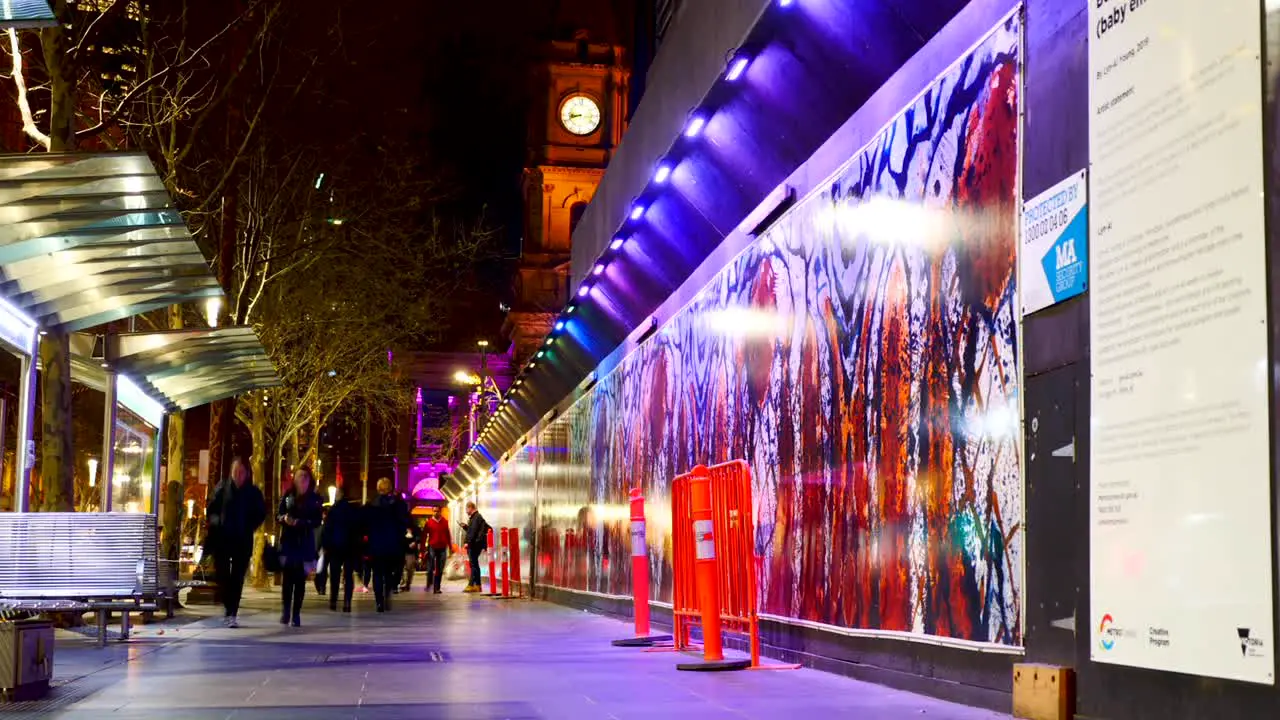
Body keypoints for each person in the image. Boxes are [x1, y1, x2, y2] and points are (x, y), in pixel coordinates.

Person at [206, 457, 266, 628]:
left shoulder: (253, 492)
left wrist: (249, 525)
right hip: (223, 539)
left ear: (247, 473)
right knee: (223, 576)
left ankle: (232, 612)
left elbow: (261, 513)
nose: (238, 475)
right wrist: (216, 520)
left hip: (242, 539)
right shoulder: (222, 488)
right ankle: (227, 607)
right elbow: (211, 509)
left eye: (241, 472)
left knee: (237, 578)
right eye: (235, 471)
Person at [278, 467, 323, 627]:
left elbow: (317, 521)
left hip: (304, 543)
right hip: (289, 542)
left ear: (309, 480)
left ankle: (296, 614)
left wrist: (300, 522)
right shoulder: (288, 495)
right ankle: (286, 611)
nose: (302, 479)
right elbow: (279, 514)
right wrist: (284, 518)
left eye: (305, 477)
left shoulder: (314, 498)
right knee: (287, 580)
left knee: (300, 581)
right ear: (294, 478)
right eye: (299, 476)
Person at [365, 478, 409, 612]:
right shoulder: (396, 504)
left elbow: (367, 525)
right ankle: (387, 595)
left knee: (377, 573)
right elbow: (403, 523)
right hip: (392, 545)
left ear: (378, 488)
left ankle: (379, 602)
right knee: (389, 573)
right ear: (390, 488)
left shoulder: (372, 504)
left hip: (376, 545)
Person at [321, 486, 362, 612]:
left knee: (335, 575)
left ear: (341, 494)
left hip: (335, 547)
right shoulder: (353, 511)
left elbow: (327, 530)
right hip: (349, 547)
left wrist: (326, 545)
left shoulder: (333, 511)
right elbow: (357, 531)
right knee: (348, 576)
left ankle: (333, 601)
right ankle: (347, 602)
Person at [460, 502, 489, 593]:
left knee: (473, 565)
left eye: (466, 509)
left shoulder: (476, 517)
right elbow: (473, 530)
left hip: (474, 545)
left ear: (470, 508)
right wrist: (466, 527)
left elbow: (473, 532)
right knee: (475, 564)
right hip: (476, 544)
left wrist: (467, 542)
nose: (465, 511)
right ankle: (478, 585)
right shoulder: (476, 517)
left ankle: (471, 585)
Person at [423, 506, 451, 594]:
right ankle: (429, 582)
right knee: (431, 566)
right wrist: (423, 548)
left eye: (437, 511)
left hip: (442, 547)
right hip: (432, 546)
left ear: (440, 512)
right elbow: (424, 535)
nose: (436, 513)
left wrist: (450, 546)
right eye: (434, 511)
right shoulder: (429, 522)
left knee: (440, 568)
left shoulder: (445, 522)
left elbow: (448, 534)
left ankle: (437, 588)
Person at [400, 517, 421, 592]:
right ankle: (402, 583)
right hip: (401, 550)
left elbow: (419, 537)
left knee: (409, 568)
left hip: (410, 552)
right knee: (400, 568)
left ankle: (408, 584)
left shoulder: (415, 529)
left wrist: (415, 542)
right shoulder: (400, 528)